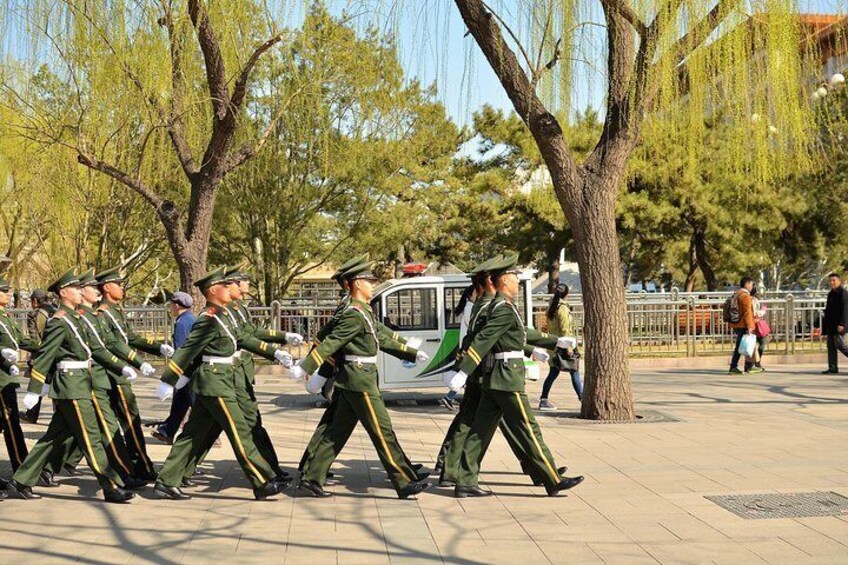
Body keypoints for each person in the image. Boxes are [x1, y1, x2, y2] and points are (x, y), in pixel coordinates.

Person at [447, 254, 584, 497]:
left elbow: (519, 335)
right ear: (502, 281)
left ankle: (465, 481)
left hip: (496, 379)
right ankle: (551, 479)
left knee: (480, 431)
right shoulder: (501, 308)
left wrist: (554, 342)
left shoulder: (501, 307)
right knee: (528, 428)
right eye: (513, 277)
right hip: (507, 378)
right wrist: (464, 370)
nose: (516, 282)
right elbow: (482, 339)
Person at [294, 260, 431, 499]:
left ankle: (311, 478)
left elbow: (381, 338)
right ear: (357, 284)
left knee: (335, 432)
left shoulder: (362, 310)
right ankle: (403, 480)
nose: (372, 285)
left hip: (358, 379)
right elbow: (330, 343)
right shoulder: (353, 314)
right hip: (359, 379)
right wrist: (307, 366)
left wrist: (409, 351)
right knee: (382, 430)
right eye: (369, 281)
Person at [152, 266, 291, 501]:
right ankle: (262, 480)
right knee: (240, 431)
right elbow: (187, 349)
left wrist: (275, 352)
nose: (231, 289)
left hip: (220, 380)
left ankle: (166, 481)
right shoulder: (207, 319)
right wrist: (170, 379)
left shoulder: (224, 314)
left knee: (192, 436)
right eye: (226, 286)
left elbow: (245, 338)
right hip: (215, 381)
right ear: (214, 289)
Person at [7, 269, 135, 503]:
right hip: (71, 386)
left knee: (51, 439)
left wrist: (121, 367)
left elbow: (95, 349)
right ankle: (111, 485)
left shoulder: (77, 318)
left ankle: (20, 481)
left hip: (80, 384)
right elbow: (46, 355)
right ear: (64, 292)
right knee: (91, 436)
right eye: (76, 288)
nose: (80, 291)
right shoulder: (60, 321)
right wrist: (35, 389)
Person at [51, 270, 153, 488]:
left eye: (83, 287)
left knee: (64, 431)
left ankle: (44, 469)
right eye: (86, 288)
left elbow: (109, 344)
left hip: (97, 377)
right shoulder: (80, 317)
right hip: (90, 379)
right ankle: (123, 474)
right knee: (105, 429)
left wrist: (135, 361)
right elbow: (98, 348)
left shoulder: (93, 315)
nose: (91, 291)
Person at [95, 267, 176, 481]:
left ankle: (138, 465)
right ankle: (141, 466)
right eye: (118, 284)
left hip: (120, 371)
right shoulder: (102, 313)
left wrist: (157, 347)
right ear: (106, 287)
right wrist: (138, 363)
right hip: (114, 373)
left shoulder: (115, 311)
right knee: (130, 420)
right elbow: (112, 344)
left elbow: (130, 337)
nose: (123, 288)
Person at [0, 276, 41, 491]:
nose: (7, 294)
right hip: (1, 380)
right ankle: (22, 470)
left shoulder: (5, 318)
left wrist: (44, 347)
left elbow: (21, 341)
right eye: (3, 291)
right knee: (11, 424)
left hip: (7, 379)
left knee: (8, 424)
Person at [152, 292, 197, 445]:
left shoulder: (183, 322)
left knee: (195, 405)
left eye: (171, 305)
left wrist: (175, 375)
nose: (170, 308)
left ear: (177, 305)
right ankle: (167, 431)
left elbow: (182, 350)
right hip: (189, 370)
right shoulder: (189, 318)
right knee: (180, 401)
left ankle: (197, 436)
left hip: (188, 371)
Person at [539, 284, 582, 411]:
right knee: (574, 370)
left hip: (553, 345)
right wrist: (569, 347)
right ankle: (582, 398)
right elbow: (565, 329)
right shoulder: (562, 308)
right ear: (566, 294)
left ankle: (544, 399)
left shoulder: (552, 306)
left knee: (553, 372)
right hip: (564, 345)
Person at [439, 284, 475, 411]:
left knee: (467, 375)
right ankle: (449, 397)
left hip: (467, 346)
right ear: (470, 295)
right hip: (470, 347)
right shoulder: (470, 308)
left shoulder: (469, 307)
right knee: (466, 374)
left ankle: (451, 397)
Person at [22, 289, 53, 424]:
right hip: (56, 354)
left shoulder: (35, 314)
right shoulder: (55, 310)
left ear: (34, 301)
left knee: (37, 383)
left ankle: (31, 414)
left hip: (43, 355)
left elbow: (36, 339)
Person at [728, 277, 761, 374]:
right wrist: (750, 326)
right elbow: (747, 312)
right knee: (743, 346)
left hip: (736, 323)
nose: (752, 286)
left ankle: (748, 365)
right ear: (747, 284)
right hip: (743, 324)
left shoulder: (737, 294)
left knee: (745, 345)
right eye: (751, 284)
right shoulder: (745, 296)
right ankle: (736, 367)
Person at [822, 272, 848, 374]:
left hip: (839, 325)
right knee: (830, 346)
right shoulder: (831, 294)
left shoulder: (843, 293)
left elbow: (845, 310)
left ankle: (833, 367)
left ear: (839, 281)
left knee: (841, 345)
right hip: (831, 325)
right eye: (830, 281)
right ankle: (832, 367)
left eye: (834, 280)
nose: (832, 282)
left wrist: (842, 324)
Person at [750, 286, 767, 371]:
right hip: (754, 324)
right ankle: (753, 364)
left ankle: (755, 363)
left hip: (756, 324)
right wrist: (763, 311)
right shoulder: (752, 300)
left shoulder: (756, 299)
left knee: (758, 344)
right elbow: (754, 312)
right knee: (758, 344)